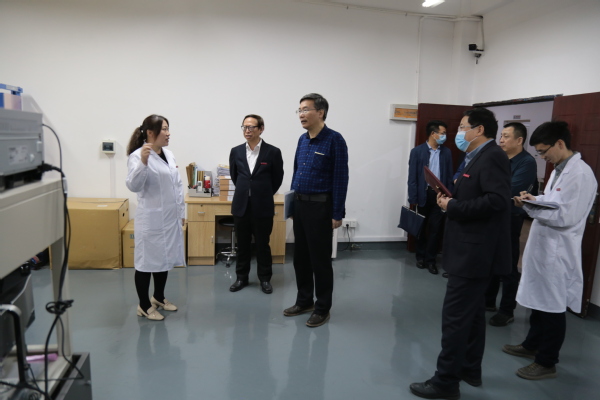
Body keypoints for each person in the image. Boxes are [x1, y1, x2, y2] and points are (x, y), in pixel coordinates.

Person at [410, 108, 511, 399]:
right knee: (473, 315)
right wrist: (450, 195)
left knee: (455, 317)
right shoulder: (476, 156)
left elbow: (497, 201)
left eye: (463, 127)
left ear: (479, 130)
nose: (458, 133)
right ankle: (469, 369)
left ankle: (445, 382)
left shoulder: (492, 156)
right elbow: (477, 193)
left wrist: (452, 206)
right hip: (470, 249)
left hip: (474, 253)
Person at [504, 121, 597, 380]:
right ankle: (532, 345)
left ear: (560, 143)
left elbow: (567, 216)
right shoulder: (560, 169)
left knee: (552, 306)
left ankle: (547, 362)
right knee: (539, 301)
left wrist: (529, 207)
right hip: (544, 246)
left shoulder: (580, 174)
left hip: (559, 250)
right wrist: (535, 199)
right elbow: (555, 201)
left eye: (544, 151)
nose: (543, 157)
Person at [284, 93, 349, 328]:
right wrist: (292, 205)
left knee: (320, 260)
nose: (301, 114)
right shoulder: (302, 140)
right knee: (300, 258)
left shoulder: (334, 140)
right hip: (300, 206)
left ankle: (322, 308)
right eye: (299, 110)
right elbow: (296, 172)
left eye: (305, 109)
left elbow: (340, 178)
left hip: (320, 207)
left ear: (320, 112)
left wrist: (337, 213)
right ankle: (304, 301)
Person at [126, 114, 185, 321]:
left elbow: (177, 185)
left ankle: (158, 297)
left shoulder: (168, 154)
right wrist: (143, 162)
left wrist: (181, 212)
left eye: (168, 128)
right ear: (151, 133)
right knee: (145, 264)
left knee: (164, 260)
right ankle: (143, 305)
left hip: (169, 218)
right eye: (164, 129)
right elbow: (133, 186)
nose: (168, 133)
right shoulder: (137, 156)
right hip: (150, 221)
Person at [485, 123, 538, 326]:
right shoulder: (499, 158)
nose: (501, 140)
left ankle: (507, 310)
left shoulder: (526, 162)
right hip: (494, 215)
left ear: (519, 140)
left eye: (506, 136)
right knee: (491, 259)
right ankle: (488, 301)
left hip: (511, 218)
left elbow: (511, 189)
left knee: (508, 263)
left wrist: (488, 191)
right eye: (501, 135)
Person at [228, 114, 284, 294]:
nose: (247, 130)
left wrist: (262, 192)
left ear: (261, 129)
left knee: (262, 245)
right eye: (245, 127)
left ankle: (265, 279)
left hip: (263, 206)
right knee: (242, 245)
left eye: (251, 127)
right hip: (241, 206)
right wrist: (246, 191)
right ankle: (241, 278)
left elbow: (277, 178)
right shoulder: (236, 151)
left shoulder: (272, 152)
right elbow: (235, 176)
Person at [407, 120, 453, 275]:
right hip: (422, 194)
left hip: (439, 196)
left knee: (435, 229)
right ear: (433, 134)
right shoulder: (417, 152)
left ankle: (431, 260)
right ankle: (420, 257)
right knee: (420, 227)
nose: (445, 136)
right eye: (443, 133)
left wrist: (449, 196)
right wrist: (413, 198)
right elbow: (412, 177)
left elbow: (449, 176)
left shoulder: (446, 152)